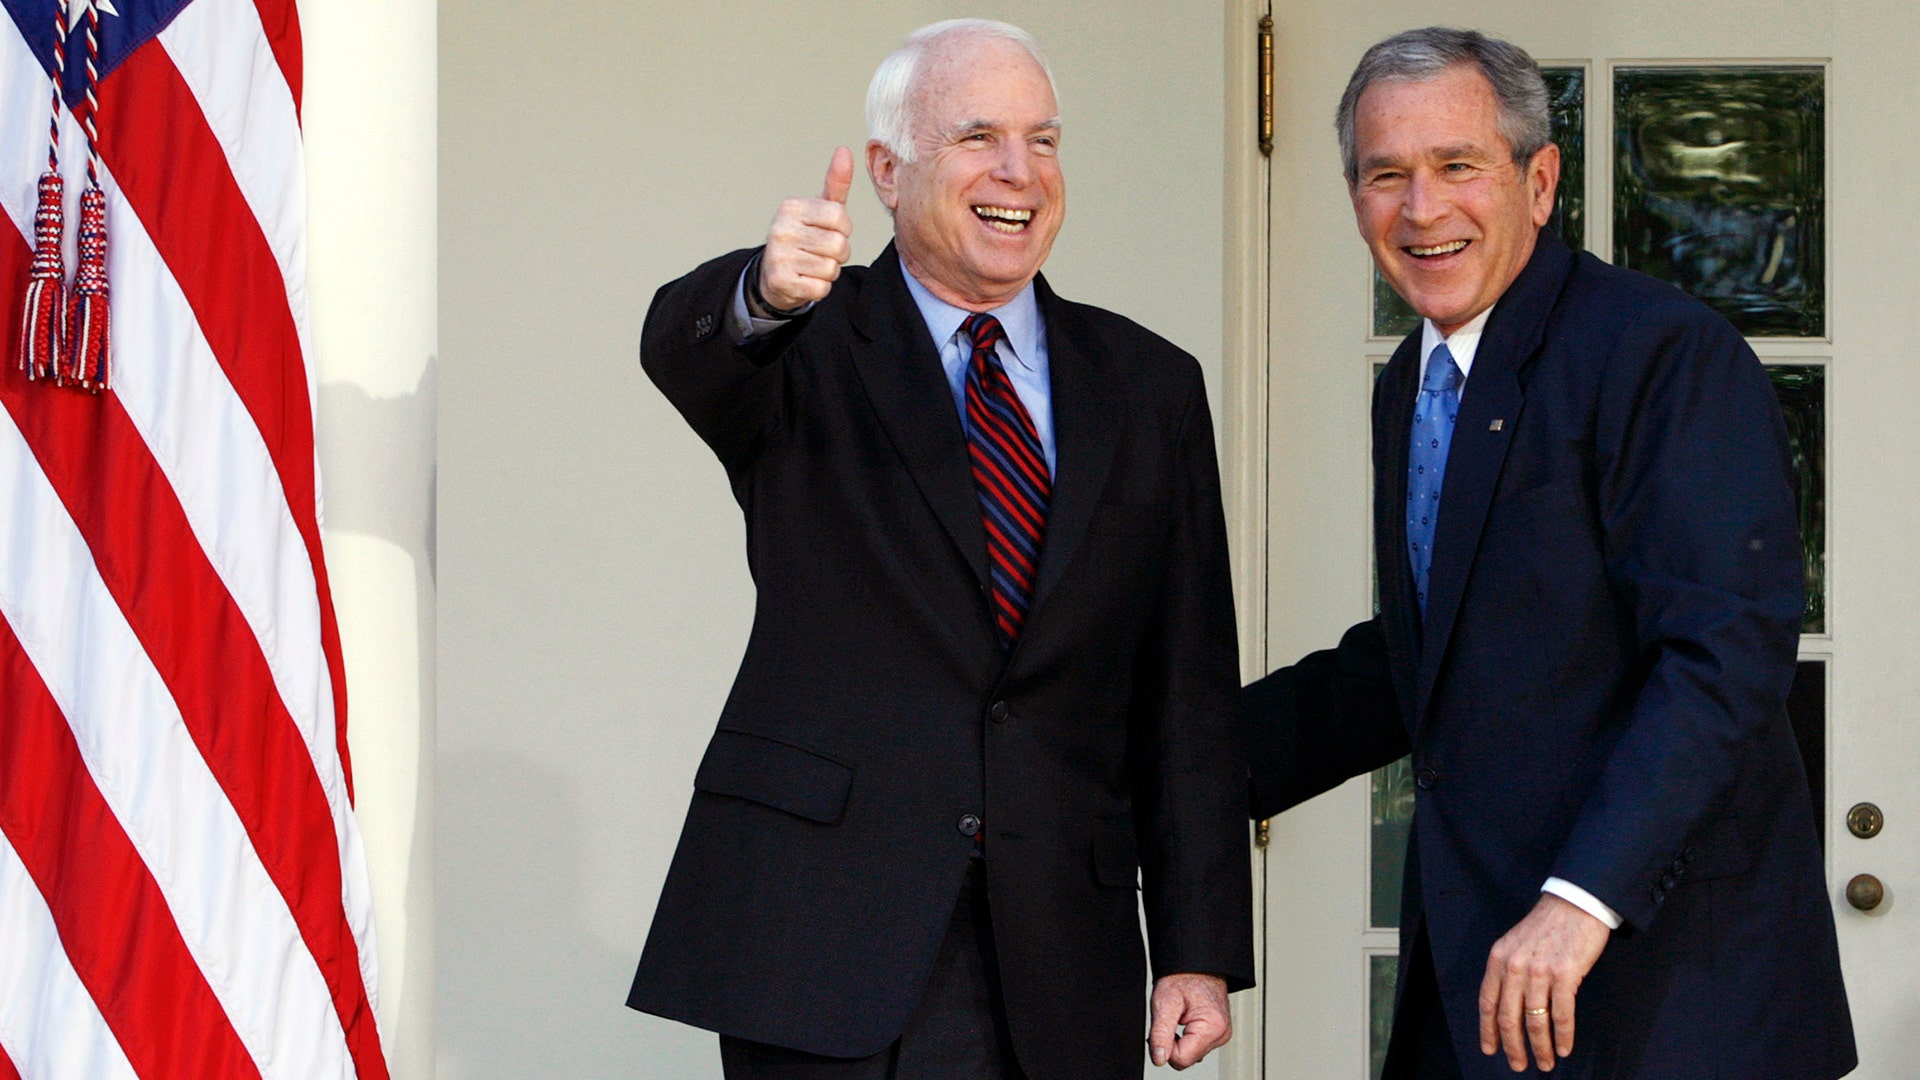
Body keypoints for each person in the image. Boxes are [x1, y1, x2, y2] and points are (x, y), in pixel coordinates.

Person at [629, 19, 1253, 1079]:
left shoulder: (1152, 386)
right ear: (887, 169)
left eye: (1044, 139)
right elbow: (683, 348)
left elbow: (1186, 695)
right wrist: (763, 291)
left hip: (1062, 949)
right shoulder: (809, 344)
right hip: (824, 941)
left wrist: (1199, 950)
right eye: (977, 137)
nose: (1020, 171)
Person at [1244, 27, 1855, 1080]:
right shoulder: (1416, 381)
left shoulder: (1660, 354)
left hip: (1669, 1005)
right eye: (1385, 174)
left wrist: (1581, 900)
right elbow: (1423, 662)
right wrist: (1164, 765)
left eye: (1456, 166)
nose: (1421, 209)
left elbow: (1722, 658)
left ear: (1539, 181)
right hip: (1482, 991)